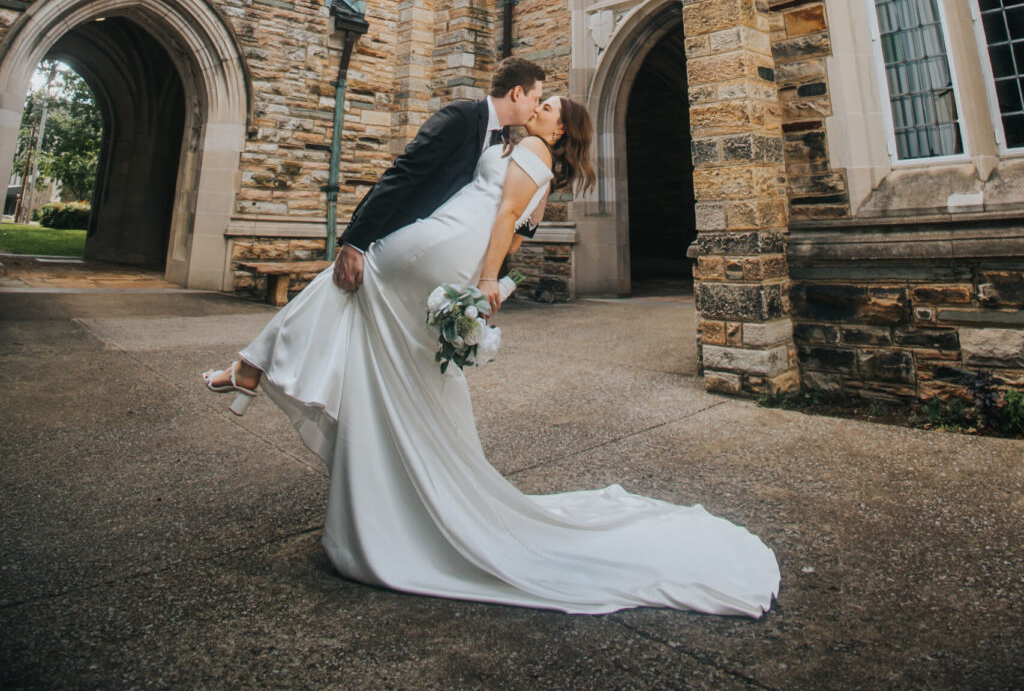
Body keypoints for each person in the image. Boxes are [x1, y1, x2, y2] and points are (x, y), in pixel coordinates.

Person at [203, 66, 780, 617]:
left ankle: (258, 369)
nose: (539, 106)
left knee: (353, 285)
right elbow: (522, 237)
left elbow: (504, 215)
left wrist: (483, 282)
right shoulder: (544, 171)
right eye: (540, 98)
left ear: (557, 128)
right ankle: (270, 378)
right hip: (455, 257)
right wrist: (494, 280)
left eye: (548, 106)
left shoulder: (530, 150)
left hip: (443, 248)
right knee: (404, 361)